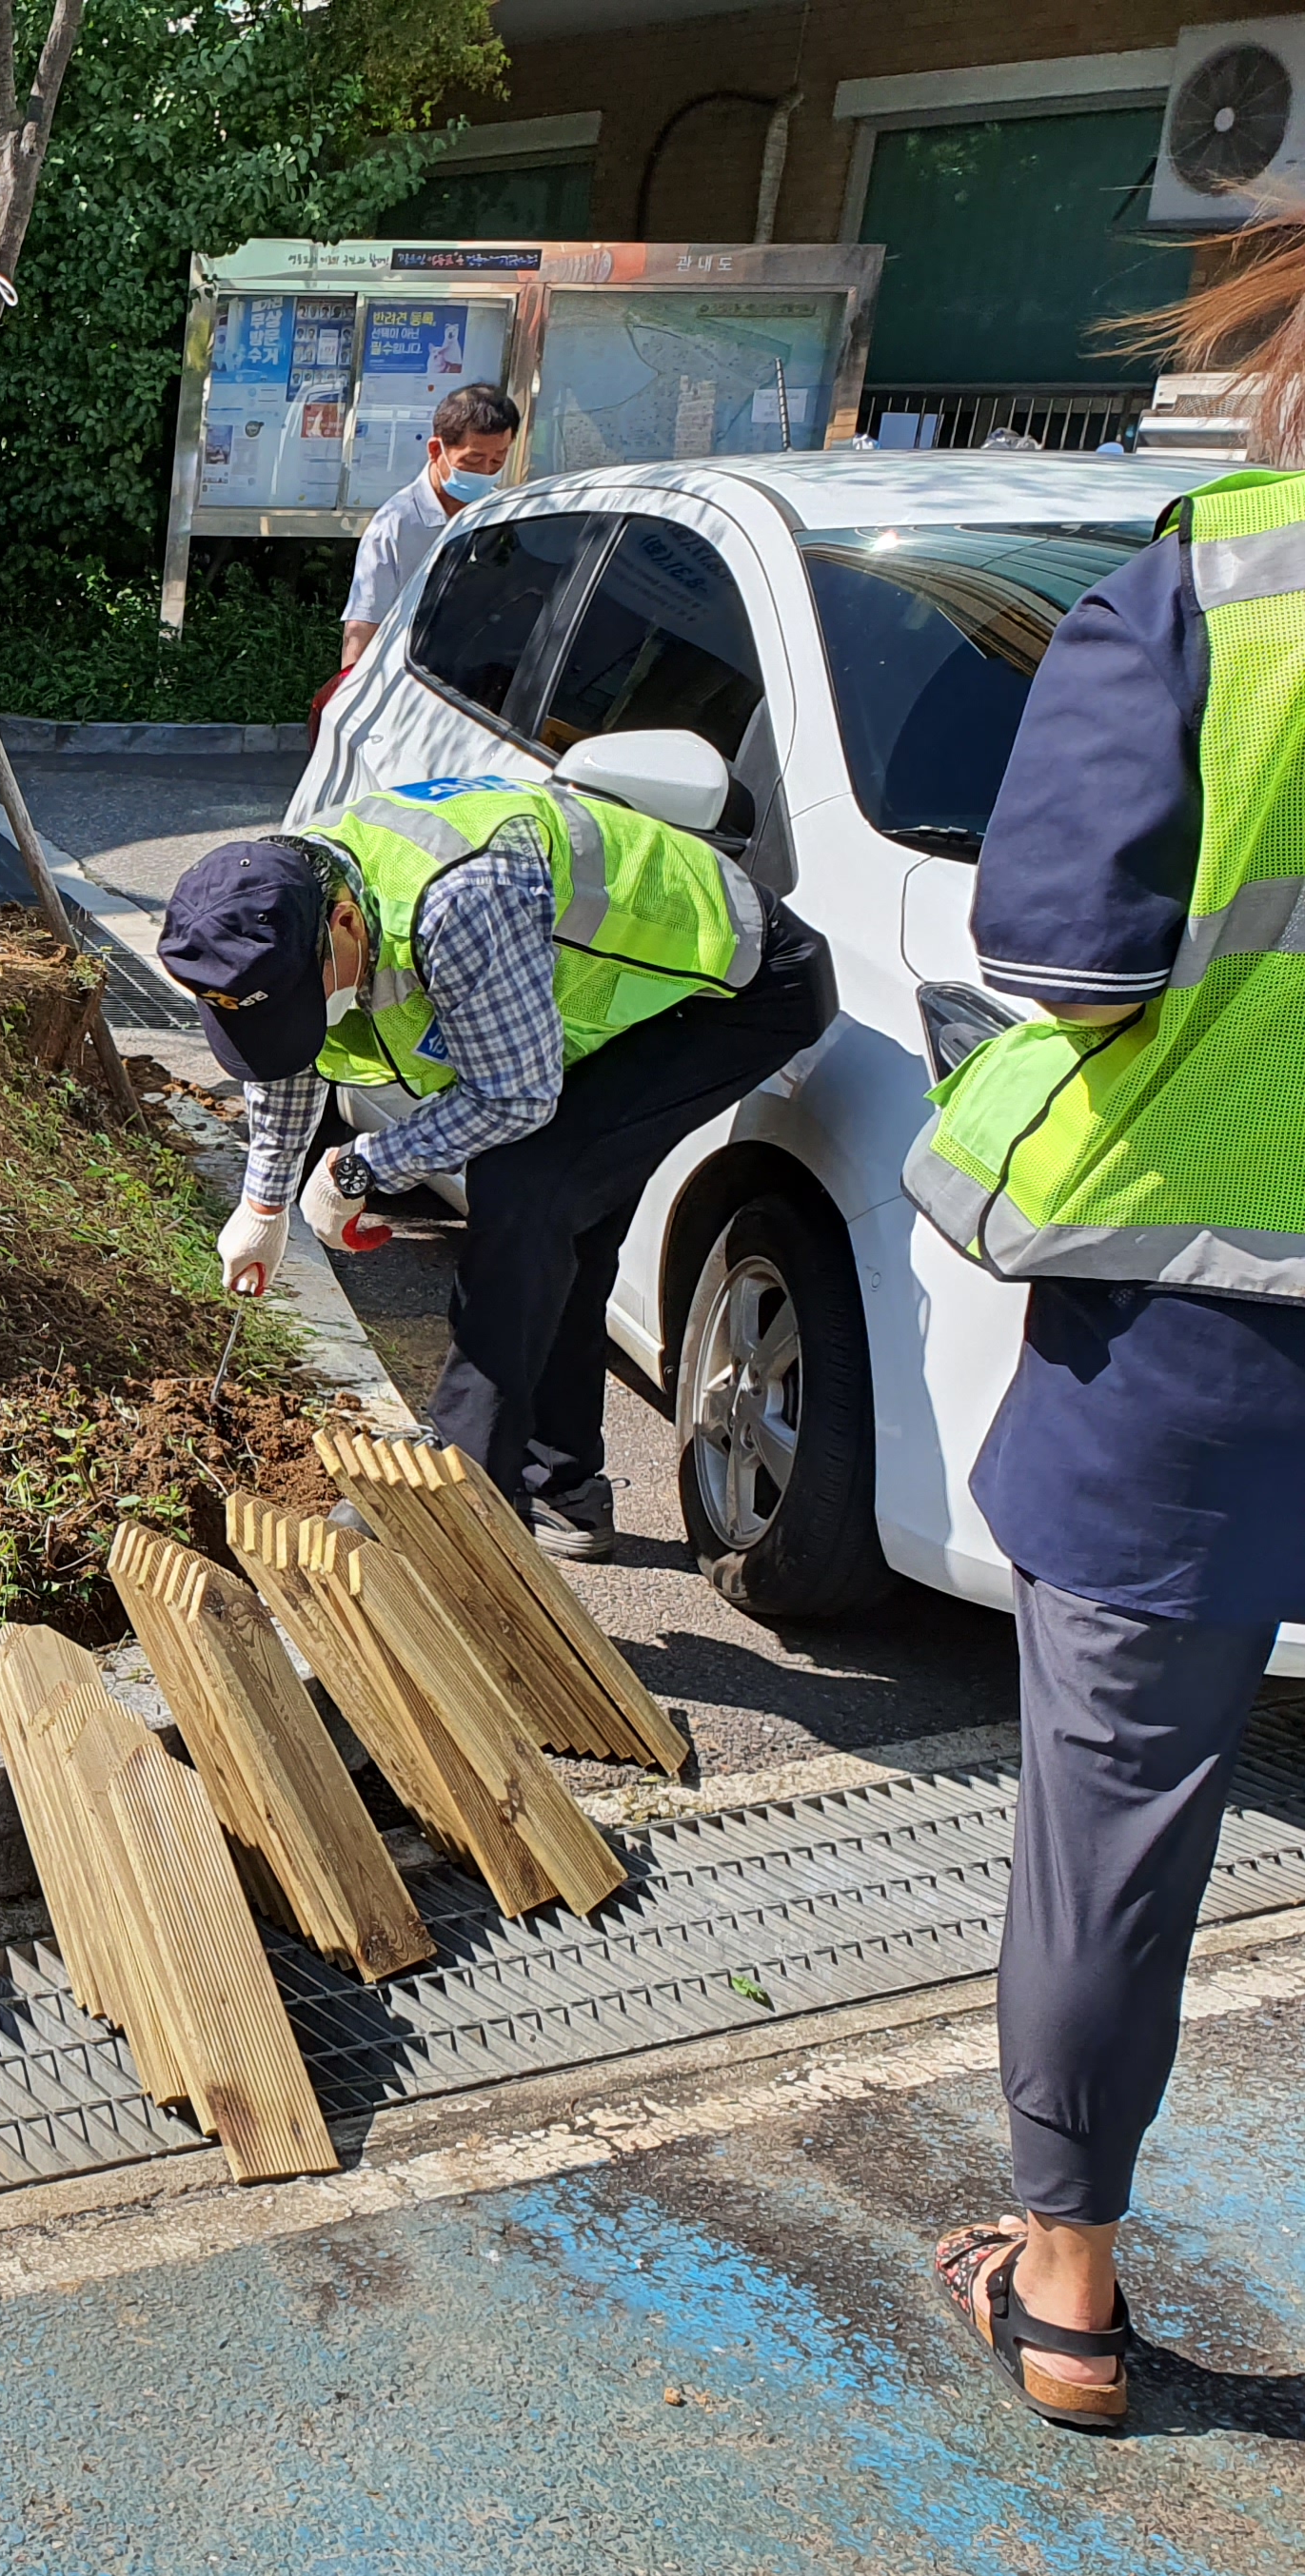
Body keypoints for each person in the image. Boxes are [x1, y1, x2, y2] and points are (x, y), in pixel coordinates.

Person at [905, 225, 1305, 2433]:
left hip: (1201, 1338)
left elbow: (1065, 953)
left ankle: (1066, 2288)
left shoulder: (1219, 593)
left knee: (1121, 1809)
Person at [160, 770, 832, 1556]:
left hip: (730, 989)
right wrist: (264, 1207)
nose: (308, 1025)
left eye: (309, 1002)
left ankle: (457, 1491)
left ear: (344, 922)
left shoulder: (456, 902)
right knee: (559, 1233)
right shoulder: (292, 909)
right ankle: (564, 1488)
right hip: (590, 1013)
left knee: (529, 1188)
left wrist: (361, 1168)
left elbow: (515, 1098)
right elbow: (291, 1058)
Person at [338, 383, 522, 675]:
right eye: (473, 460)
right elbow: (363, 627)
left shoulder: (503, 513)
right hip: (410, 681)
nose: (487, 470)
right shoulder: (396, 524)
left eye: (498, 459)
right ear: (437, 450)